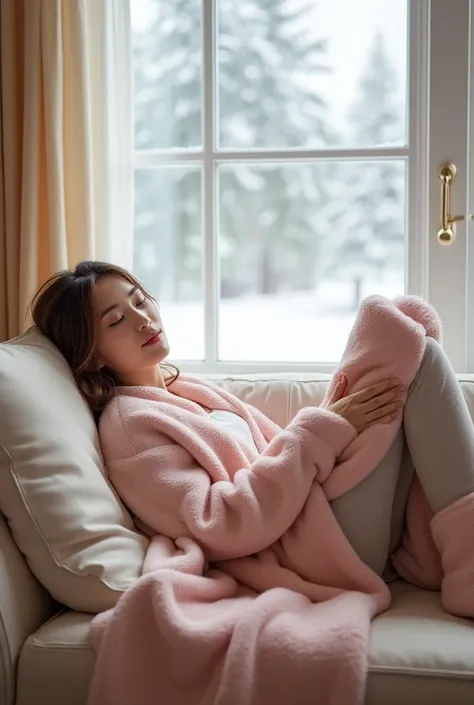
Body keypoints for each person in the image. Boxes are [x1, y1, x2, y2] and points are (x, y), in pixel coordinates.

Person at [30, 260, 474, 578]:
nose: (144, 319)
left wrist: (333, 423)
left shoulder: (183, 390)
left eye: (140, 300)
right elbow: (219, 523)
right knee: (401, 336)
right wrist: (322, 428)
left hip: (321, 518)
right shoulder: (129, 427)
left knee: (408, 340)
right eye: (117, 320)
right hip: (318, 547)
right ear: (92, 353)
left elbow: (277, 456)